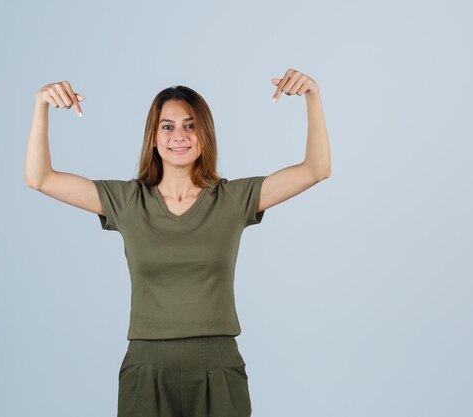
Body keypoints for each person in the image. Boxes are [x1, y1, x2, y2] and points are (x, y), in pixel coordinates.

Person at [24, 68, 331, 417]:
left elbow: (316, 169)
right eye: (167, 126)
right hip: (146, 368)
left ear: (205, 134)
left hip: (218, 367)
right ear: (153, 137)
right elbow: (40, 178)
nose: (179, 135)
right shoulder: (127, 200)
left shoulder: (232, 199)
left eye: (190, 125)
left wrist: (313, 95)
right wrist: (41, 106)